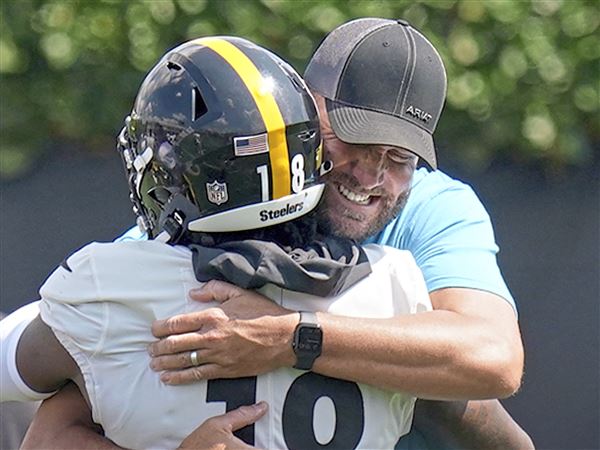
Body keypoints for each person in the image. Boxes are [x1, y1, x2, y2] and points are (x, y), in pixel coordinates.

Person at [15, 19, 534, 449]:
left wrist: (289, 336)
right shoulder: (221, 210)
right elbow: (54, 428)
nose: (371, 176)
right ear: (303, 109)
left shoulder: (432, 206)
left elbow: (492, 357)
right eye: (351, 140)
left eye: (400, 158)